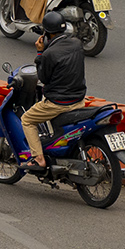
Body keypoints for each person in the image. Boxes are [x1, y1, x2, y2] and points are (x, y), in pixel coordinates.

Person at [20, 11, 87, 173]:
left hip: (58, 103)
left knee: (27, 119)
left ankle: (38, 159)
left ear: (47, 33)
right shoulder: (77, 44)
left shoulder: (49, 54)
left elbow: (43, 77)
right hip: (79, 99)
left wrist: (39, 53)